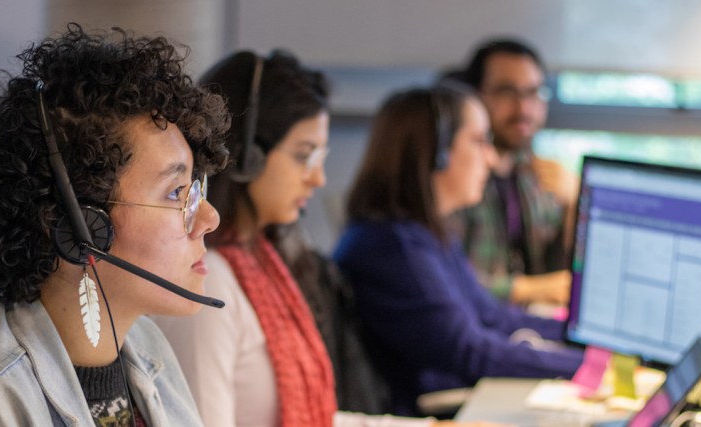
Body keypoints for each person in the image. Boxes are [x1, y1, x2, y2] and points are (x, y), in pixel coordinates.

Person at [0, 24, 229, 426]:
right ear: (82, 229)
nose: (209, 217)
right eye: (175, 192)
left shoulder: (146, 349)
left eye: (194, 189)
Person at [154, 51, 493, 427]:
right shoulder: (211, 284)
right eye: (304, 156)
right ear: (246, 156)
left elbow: (316, 418)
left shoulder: (268, 264)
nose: (318, 179)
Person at [333, 84, 584, 417]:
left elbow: (492, 315)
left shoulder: (424, 232)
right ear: (437, 151)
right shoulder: (392, 247)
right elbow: (470, 351)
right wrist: (586, 368)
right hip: (433, 413)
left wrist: (586, 340)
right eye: (480, 141)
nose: (492, 158)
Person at [449, 38, 577, 306]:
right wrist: (527, 289)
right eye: (507, 92)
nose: (523, 108)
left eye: (533, 93)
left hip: (525, 326)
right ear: (473, 96)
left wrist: (574, 205)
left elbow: (562, 267)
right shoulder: (452, 177)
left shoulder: (536, 173)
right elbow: (445, 281)